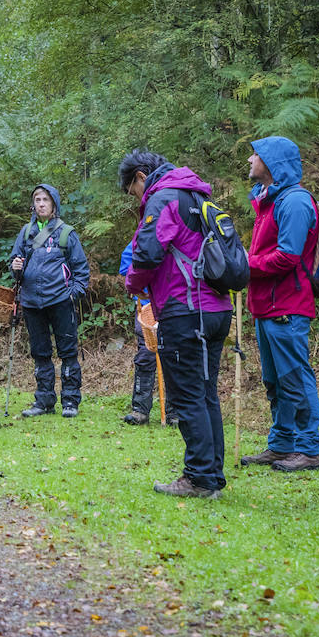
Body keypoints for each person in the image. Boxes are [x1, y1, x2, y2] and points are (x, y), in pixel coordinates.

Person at [120, 149, 233, 498]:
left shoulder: (164, 198)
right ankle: (211, 474)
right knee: (206, 393)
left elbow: (147, 253)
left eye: (132, 191)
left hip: (186, 309)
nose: (135, 199)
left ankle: (198, 478)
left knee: (186, 396)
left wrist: (132, 284)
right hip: (216, 306)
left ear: (141, 176)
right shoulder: (197, 196)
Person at [240, 136, 319, 473]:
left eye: (256, 155)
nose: (250, 160)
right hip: (267, 306)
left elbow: (288, 256)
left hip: (288, 306)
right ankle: (282, 444)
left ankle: (309, 449)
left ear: (273, 163)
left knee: (295, 377)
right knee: (274, 381)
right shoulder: (269, 201)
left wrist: (246, 266)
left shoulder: (295, 202)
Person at [9, 184, 90, 418]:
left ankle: (70, 402)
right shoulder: (26, 232)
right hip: (32, 302)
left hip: (60, 301)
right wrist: (16, 267)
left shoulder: (66, 233)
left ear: (54, 203)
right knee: (40, 353)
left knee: (67, 352)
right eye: (37, 199)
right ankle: (43, 401)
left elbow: (81, 271)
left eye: (45, 199)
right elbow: (16, 264)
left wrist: (72, 294)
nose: (41, 203)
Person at [117, 242, 177, 427]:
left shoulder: (179, 231)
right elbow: (127, 266)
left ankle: (175, 412)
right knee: (145, 355)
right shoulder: (143, 236)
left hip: (175, 304)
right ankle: (140, 410)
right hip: (146, 306)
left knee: (175, 356)